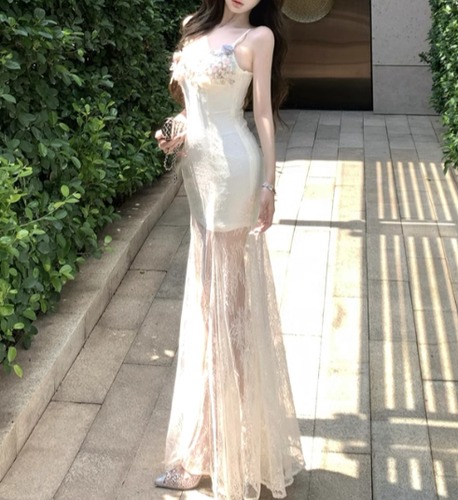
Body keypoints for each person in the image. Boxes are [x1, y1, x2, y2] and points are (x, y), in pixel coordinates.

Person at [154, 1, 305, 498]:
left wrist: (269, 185)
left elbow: (261, 115)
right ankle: (226, 442)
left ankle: (217, 448)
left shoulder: (259, 38)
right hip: (198, 175)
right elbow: (193, 106)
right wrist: (176, 130)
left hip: (234, 171)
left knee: (226, 309)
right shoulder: (192, 27)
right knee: (208, 304)